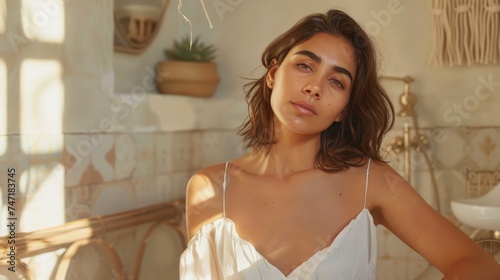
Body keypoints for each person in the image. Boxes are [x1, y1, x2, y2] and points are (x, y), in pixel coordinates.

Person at [179, 9, 500, 280]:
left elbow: (477, 265)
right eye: (305, 65)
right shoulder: (209, 189)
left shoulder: (371, 182)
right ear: (273, 74)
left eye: (337, 81)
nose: (315, 87)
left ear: (344, 108)